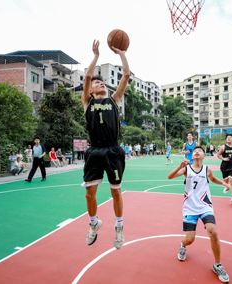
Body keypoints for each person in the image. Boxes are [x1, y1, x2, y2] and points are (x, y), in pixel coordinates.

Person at [80, 40, 129, 247]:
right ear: (91, 90)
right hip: (94, 151)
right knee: (89, 194)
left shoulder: (114, 100)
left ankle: (119, 228)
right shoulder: (87, 102)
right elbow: (89, 76)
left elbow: (126, 74)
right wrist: (96, 56)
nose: (100, 84)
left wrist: (121, 53)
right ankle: (94, 224)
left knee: (115, 191)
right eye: (96, 84)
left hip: (112, 149)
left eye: (102, 83)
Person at [168, 146, 230, 283]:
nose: (196, 152)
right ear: (192, 155)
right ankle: (183, 245)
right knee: (190, 239)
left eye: (199, 151)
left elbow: (212, 179)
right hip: (190, 207)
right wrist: (179, 167)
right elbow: (170, 176)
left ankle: (217, 265)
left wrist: (224, 184)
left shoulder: (207, 169)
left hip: (204, 205)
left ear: (204, 155)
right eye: (195, 150)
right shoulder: (186, 169)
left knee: (212, 231)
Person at [217, 134, 232, 205]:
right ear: (226, 140)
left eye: (230, 138)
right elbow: (218, 155)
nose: (228, 139)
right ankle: (227, 187)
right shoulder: (223, 147)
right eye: (227, 138)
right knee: (226, 181)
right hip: (225, 166)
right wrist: (223, 158)